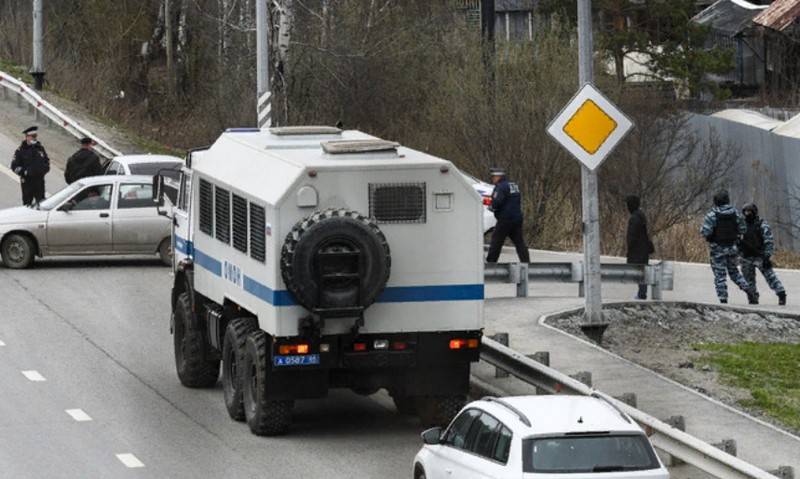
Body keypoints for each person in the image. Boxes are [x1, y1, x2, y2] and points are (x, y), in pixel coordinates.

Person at [700, 190, 756, 304]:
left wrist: (711, 236)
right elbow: (743, 229)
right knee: (734, 273)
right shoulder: (735, 213)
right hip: (732, 248)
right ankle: (748, 290)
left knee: (720, 276)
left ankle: (723, 300)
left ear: (716, 201)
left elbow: (705, 232)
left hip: (717, 249)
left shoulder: (712, 214)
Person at [739, 203, 786, 306]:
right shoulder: (741, 225)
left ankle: (781, 294)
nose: (747, 214)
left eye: (749, 211)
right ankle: (752, 297)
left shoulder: (762, 224)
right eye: (745, 212)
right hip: (746, 257)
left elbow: (769, 241)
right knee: (748, 280)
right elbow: (737, 241)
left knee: (770, 277)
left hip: (760, 256)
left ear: (754, 212)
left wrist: (766, 256)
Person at [485, 168, 530, 263]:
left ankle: (490, 264)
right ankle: (526, 263)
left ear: (498, 177)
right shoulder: (513, 185)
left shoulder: (500, 187)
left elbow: (497, 202)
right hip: (517, 219)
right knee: (519, 243)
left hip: (505, 219)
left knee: (496, 242)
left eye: (493, 177)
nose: (492, 179)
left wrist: (491, 207)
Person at [10, 126, 50, 205]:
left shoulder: (40, 148)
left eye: (35, 136)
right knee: (27, 204)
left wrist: (44, 170)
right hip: (27, 182)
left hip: (39, 181)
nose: (35, 138)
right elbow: (14, 166)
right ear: (27, 137)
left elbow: (46, 161)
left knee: (42, 204)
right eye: (33, 136)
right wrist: (25, 172)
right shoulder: (21, 150)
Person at [625, 195, 654, 300]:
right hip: (643, 249)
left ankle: (642, 293)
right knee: (642, 270)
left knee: (638, 271)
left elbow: (632, 236)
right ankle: (642, 292)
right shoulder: (641, 215)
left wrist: (629, 248)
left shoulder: (634, 218)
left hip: (637, 250)